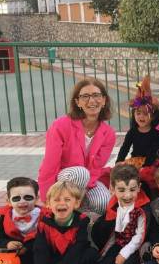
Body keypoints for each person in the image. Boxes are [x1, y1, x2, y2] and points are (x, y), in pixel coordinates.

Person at [70, 164, 150, 264]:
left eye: (132, 189)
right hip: (118, 243)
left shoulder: (142, 209)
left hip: (136, 248)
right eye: (121, 190)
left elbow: (139, 237)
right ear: (112, 189)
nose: (127, 195)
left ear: (139, 187)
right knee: (107, 262)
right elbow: (110, 230)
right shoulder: (113, 204)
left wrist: (124, 254)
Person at [38, 78, 116, 215]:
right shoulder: (61, 125)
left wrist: (83, 192)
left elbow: (95, 169)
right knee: (80, 173)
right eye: (85, 96)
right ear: (77, 102)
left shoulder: (108, 134)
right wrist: (47, 198)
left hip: (87, 181)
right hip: (61, 179)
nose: (91, 101)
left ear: (104, 100)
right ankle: (66, 213)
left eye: (96, 95)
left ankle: (79, 216)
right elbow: (50, 164)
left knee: (104, 201)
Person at [26, 181, 95, 264]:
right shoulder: (44, 223)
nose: (62, 203)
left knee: (91, 253)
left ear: (76, 203)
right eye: (56, 200)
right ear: (48, 203)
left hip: (73, 258)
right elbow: (40, 247)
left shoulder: (82, 221)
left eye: (67, 199)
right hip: (53, 257)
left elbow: (79, 246)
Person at [115, 76, 159, 170]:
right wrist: (119, 161)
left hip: (151, 163)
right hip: (135, 162)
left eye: (145, 114)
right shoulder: (132, 131)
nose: (141, 116)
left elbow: (154, 152)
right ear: (134, 114)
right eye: (138, 113)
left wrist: (144, 167)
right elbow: (125, 148)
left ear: (153, 116)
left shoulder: (156, 133)